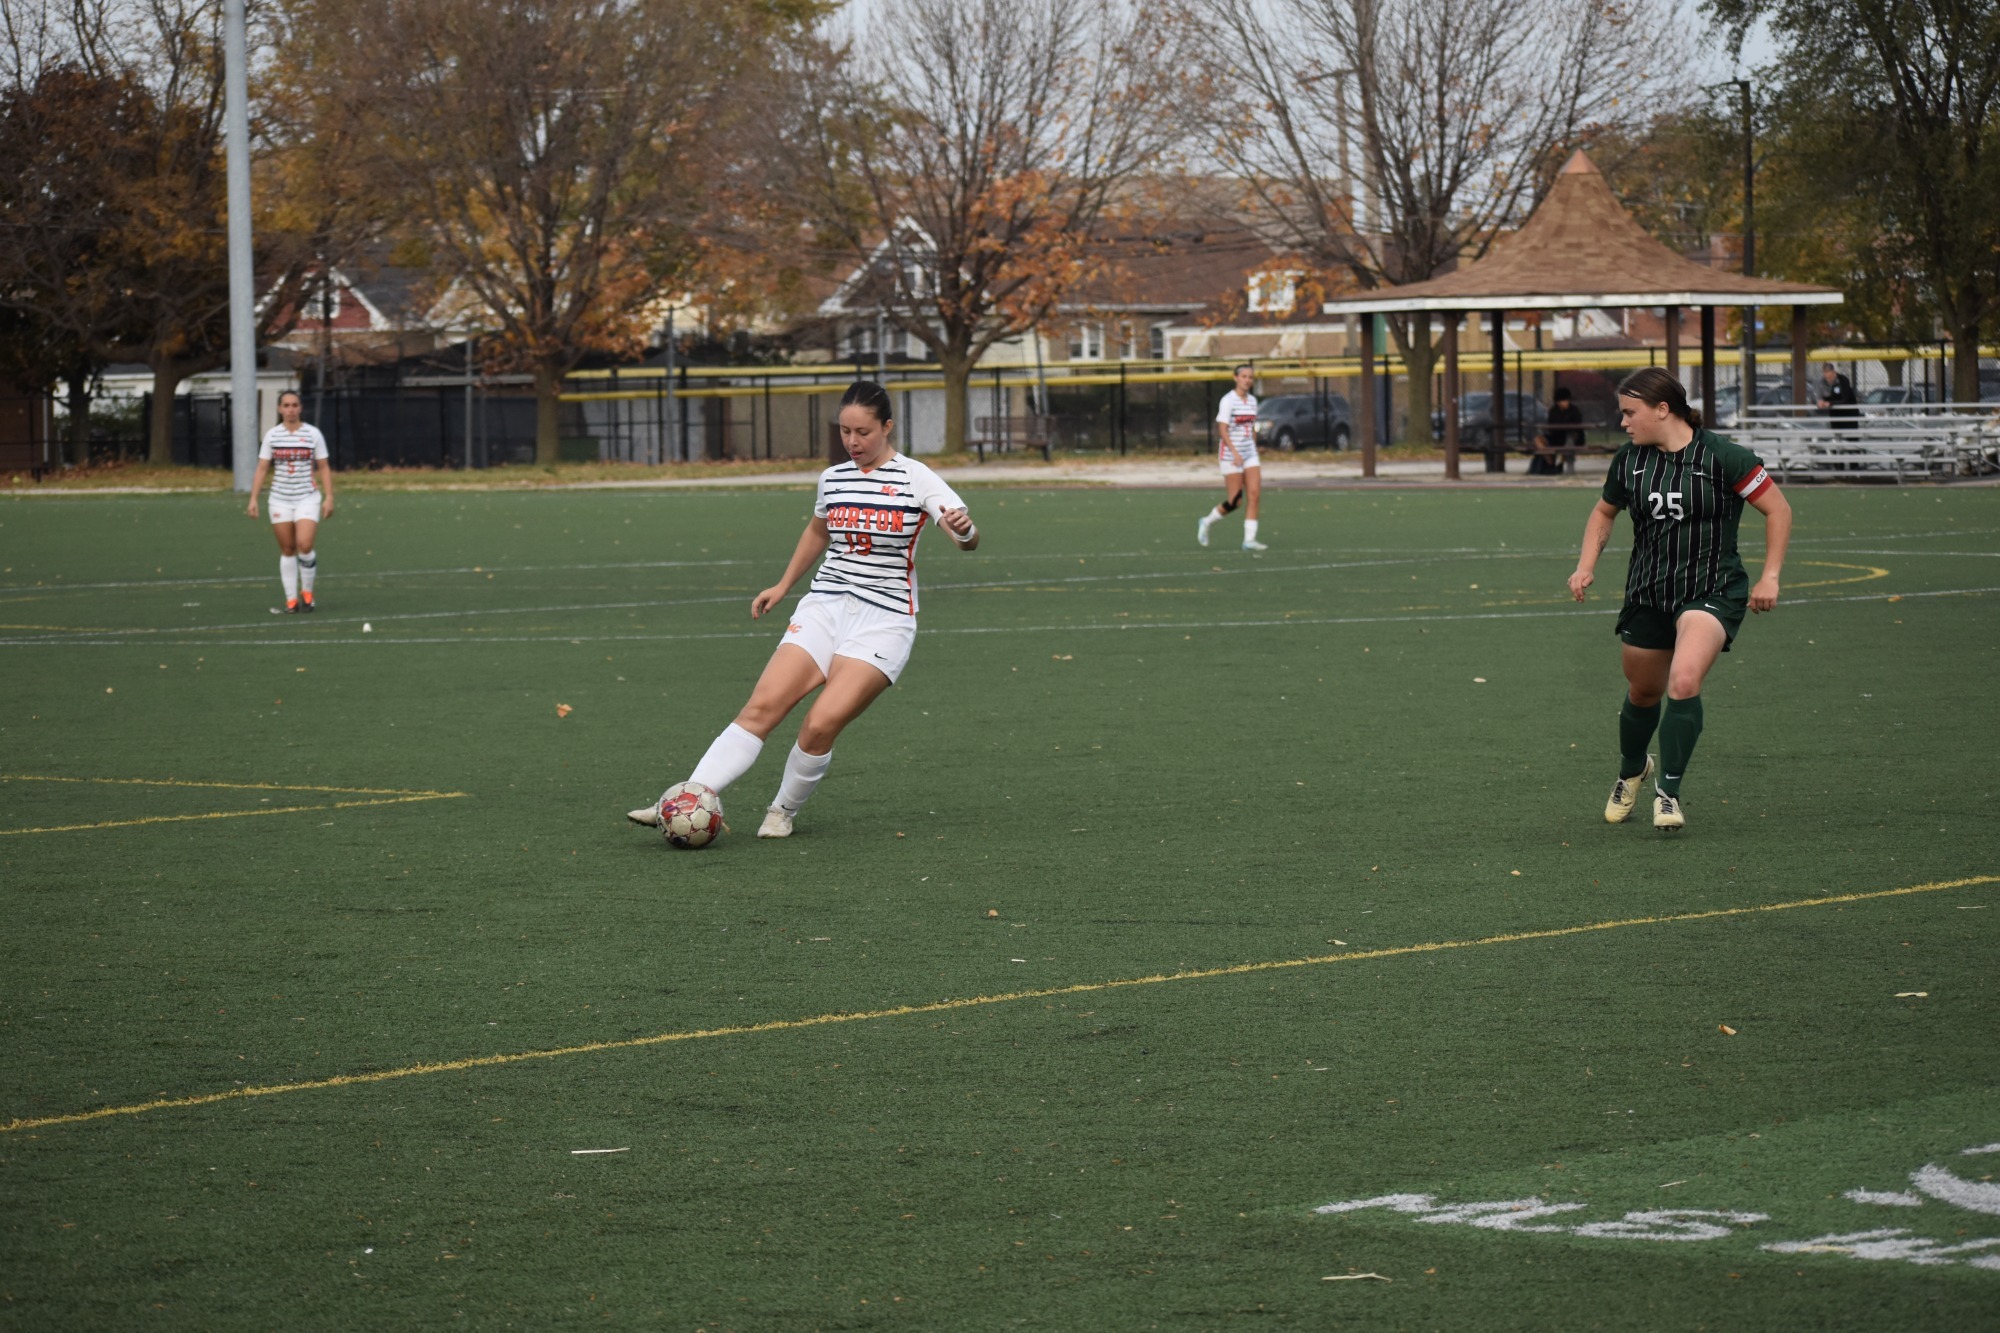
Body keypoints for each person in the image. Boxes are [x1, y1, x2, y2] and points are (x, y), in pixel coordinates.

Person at [628, 381, 978, 839]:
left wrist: (965, 531)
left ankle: (782, 810)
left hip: (884, 621)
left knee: (819, 724)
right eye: (845, 431)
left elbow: (962, 536)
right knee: (762, 707)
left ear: (887, 427)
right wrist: (783, 584)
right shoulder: (833, 478)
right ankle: (685, 798)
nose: (853, 442)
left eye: (864, 432)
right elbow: (818, 532)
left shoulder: (916, 477)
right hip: (825, 607)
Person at [1566, 367, 1791, 832]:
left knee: (1684, 681)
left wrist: (1770, 576)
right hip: (1649, 591)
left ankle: (1668, 792)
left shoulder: (1725, 457)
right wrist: (1586, 563)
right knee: (1643, 691)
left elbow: (1778, 509)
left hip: (1713, 589)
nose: (1623, 422)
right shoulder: (1629, 462)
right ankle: (1633, 770)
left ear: (1662, 409)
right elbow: (1604, 512)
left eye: (1630, 412)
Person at [245, 390, 333, 613]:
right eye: (286, 405)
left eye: (295, 405)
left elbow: (323, 466)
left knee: (304, 544)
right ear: (280, 409)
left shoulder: (313, 434)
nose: (291, 409)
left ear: (301, 408)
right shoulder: (273, 436)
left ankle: (308, 592)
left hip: (307, 497)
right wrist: (253, 498)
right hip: (279, 499)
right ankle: (291, 599)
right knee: (287, 548)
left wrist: (329, 497)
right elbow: (262, 467)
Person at [1196, 364, 1267, 550]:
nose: (1247, 380)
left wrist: (1254, 445)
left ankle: (1249, 540)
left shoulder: (1252, 401)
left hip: (1250, 453)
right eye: (1244, 376)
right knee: (1235, 501)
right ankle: (1207, 521)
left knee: (1255, 494)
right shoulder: (1228, 400)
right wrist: (1234, 452)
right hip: (1230, 454)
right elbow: (1222, 428)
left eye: (1250, 377)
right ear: (1236, 378)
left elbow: (1251, 427)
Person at [1531, 386, 1584, 475]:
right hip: (1556, 437)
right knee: (1538, 440)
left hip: (1572, 438)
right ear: (1558, 402)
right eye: (1563, 400)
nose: (1566, 402)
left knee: (1569, 442)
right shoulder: (1553, 411)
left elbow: (1577, 427)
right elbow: (1550, 426)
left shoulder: (1574, 410)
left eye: (1567, 400)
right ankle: (1550, 464)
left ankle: (1564, 465)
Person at [1817, 363, 1858, 431]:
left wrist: (1829, 403)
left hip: (1848, 414)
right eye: (1827, 378)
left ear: (1834, 372)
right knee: (1837, 435)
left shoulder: (1843, 380)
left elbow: (1845, 399)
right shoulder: (1823, 382)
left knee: (1851, 436)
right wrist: (1821, 401)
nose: (1829, 380)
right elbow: (1824, 396)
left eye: (1830, 377)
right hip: (1835, 414)